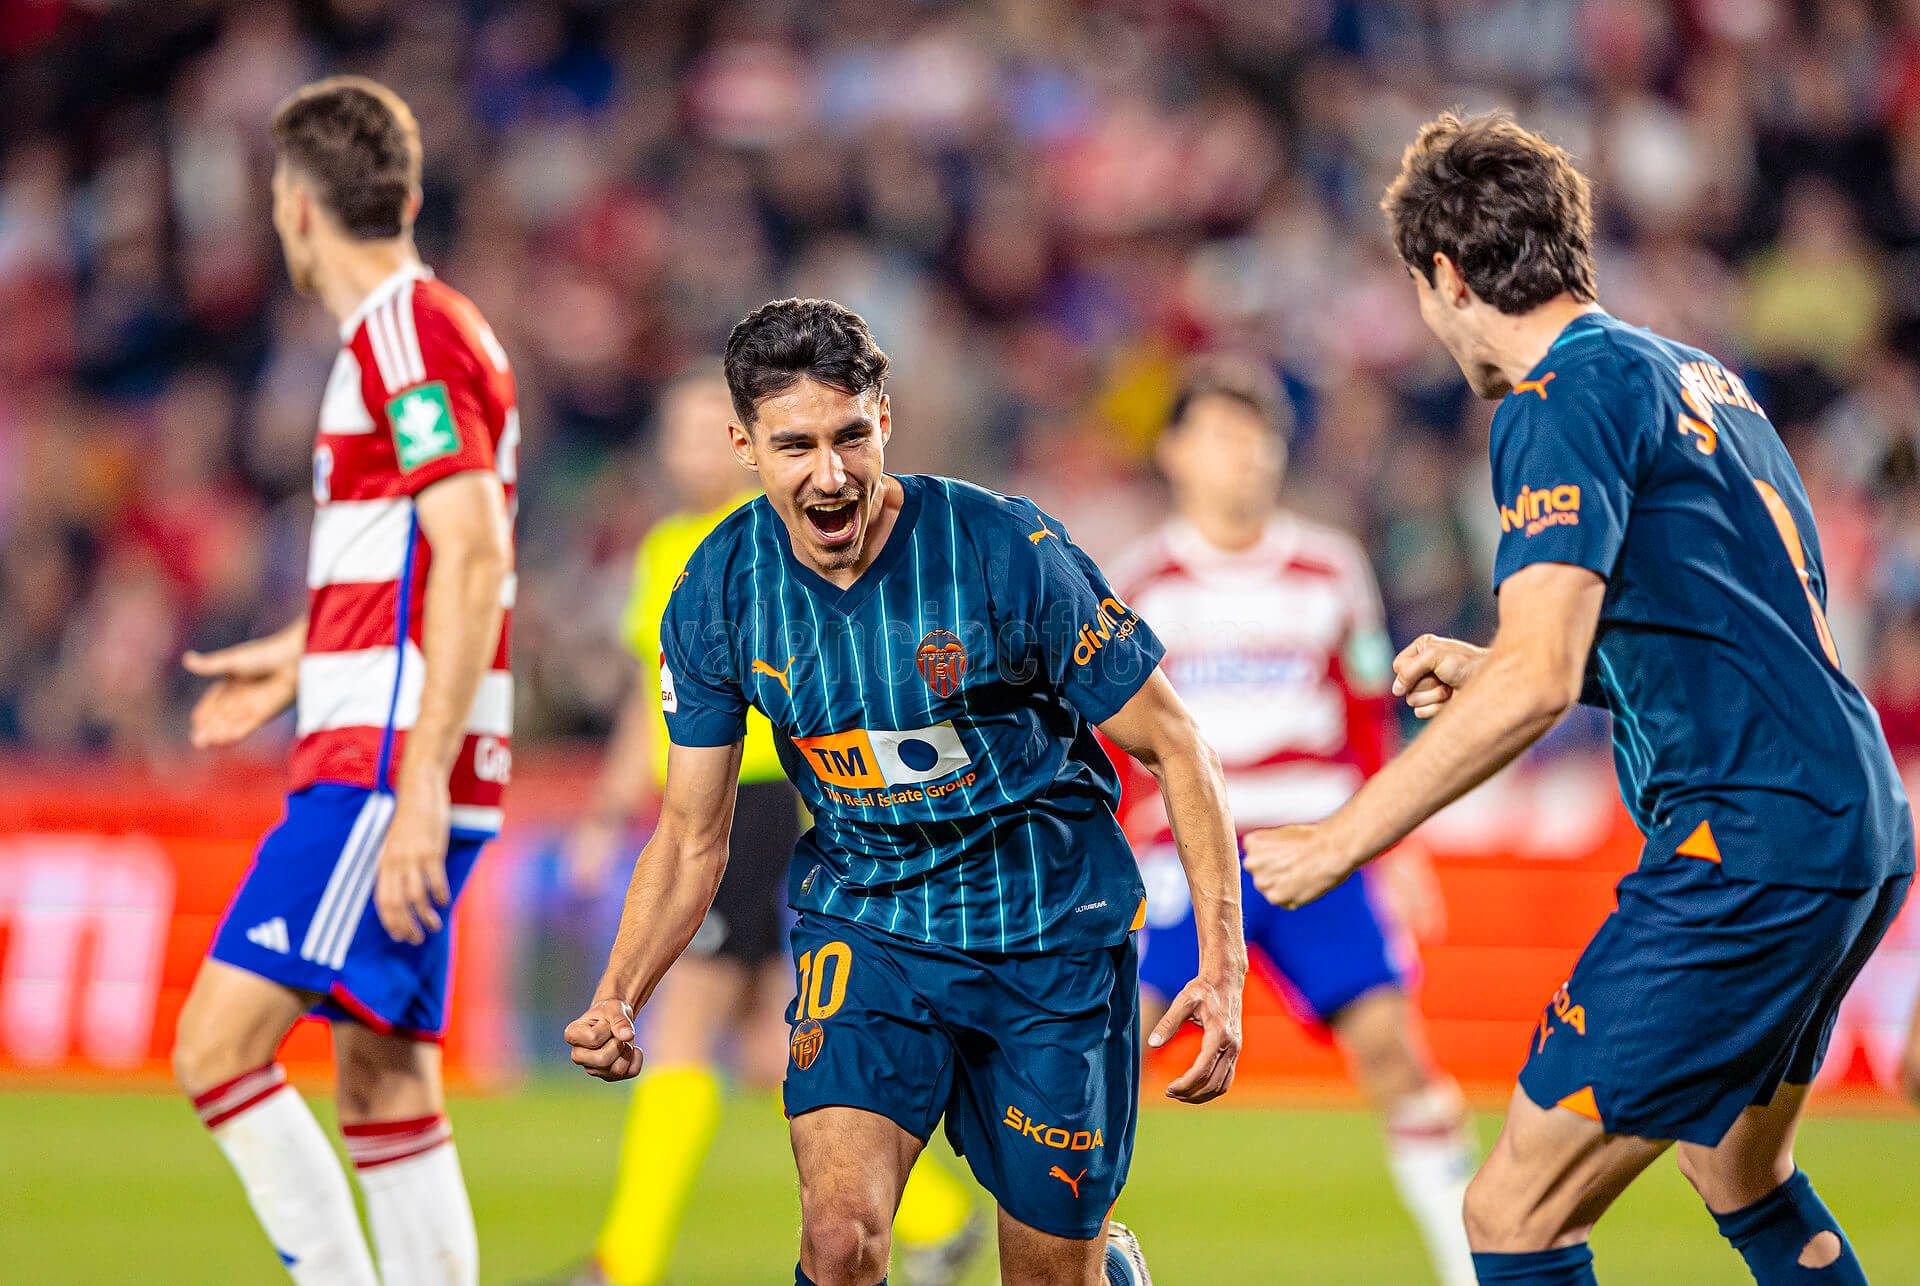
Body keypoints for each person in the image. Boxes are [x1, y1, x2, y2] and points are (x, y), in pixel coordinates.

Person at [1244, 111, 1913, 1286]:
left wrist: (1341, 838)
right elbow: (1744, 624)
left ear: (1446, 276)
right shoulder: (1695, 373)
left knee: (1511, 1213)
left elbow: (1538, 681)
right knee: (1739, 1170)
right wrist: (1512, 660)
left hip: (1745, 841)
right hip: (1853, 813)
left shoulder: (1554, 397)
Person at [564, 297, 1247, 1286]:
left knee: (1050, 1269)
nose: (829, 473)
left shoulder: (1007, 551)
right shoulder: (716, 589)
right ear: (745, 445)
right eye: (794, 444)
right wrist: (621, 990)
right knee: (839, 1238)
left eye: (849, 435)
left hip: (1047, 937)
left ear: (884, 419)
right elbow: (690, 829)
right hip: (871, 928)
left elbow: (1179, 747)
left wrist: (1221, 966)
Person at [170, 76, 518, 1285]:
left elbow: (474, 553)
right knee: (382, 1073)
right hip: (396, 743)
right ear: (408, 197)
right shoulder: (430, 333)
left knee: (217, 1047)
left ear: (295, 210)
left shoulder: (404, 336)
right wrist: (300, 652)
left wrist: (415, 781)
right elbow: (418, 560)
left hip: (383, 768)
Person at [557, 370, 979, 1286]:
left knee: (682, 1032)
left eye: (697, 434)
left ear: (743, 444)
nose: (682, 451)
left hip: (752, 805)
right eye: (671, 435)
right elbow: (652, 700)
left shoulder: (761, 543)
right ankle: (940, 1215)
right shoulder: (671, 546)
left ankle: (623, 1264)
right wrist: (606, 809)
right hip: (713, 805)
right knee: (765, 1042)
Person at [1109, 357, 1476, 1286]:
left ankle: (1476, 1265)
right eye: (1223, 437)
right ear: (1175, 453)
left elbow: (1365, 716)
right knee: (1102, 1058)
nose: (1244, 458)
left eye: (1258, 439)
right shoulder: (1137, 585)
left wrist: (1386, 843)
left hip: (1312, 840)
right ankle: (1080, 1255)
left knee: (1394, 1052)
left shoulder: (1330, 567)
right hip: (1182, 849)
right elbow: (1111, 742)